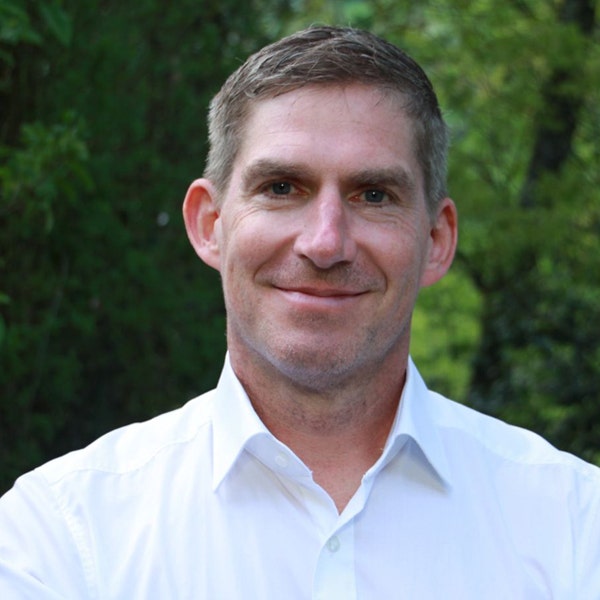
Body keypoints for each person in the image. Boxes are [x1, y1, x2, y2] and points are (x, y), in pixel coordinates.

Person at [1, 25, 599, 599]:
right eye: (282, 188)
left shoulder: (573, 528)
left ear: (436, 240)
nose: (325, 242)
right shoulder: (62, 539)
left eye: (374, 195)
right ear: (210, 225)